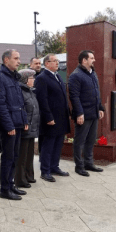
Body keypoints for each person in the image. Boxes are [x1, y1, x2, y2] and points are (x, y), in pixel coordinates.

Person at [0, 50, 28, 200]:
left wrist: (24, 120)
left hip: (18, 123)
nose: (19, 61)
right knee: (8, 157)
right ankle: (4, 189)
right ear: (6, 60)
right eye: (16, 58)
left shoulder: (14, 76)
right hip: (10, 125)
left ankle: (11, 184)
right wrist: (9, 126)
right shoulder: (0, 77)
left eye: (19, 58)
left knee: (14, 156)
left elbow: (20, 101)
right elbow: (1, 105)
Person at [35, 53, 71, 182]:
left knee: (58, 144)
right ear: (47, 64)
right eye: (54, 61)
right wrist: (48, 117)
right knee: (48, 145)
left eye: (57, 61)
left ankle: (54, 167)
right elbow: (42, 100)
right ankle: (45, 171)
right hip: (50, 119)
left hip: (61, 117)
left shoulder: (58, 76)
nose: (57, 63)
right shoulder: (42, 78)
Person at [69, 50, 105, 176]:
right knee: (79, 141)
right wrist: (79, 113)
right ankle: (79, 166)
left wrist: (100, 108)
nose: (94, 60)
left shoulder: (92, 73)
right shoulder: (76, 75)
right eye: (92, 58)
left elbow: (97, 93)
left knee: (90, 140)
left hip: (94, 113)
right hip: (83, 114)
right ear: (84, 60)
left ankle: (88, 163)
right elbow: (74, 96)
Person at [15, 69, 39, 188]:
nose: (33, 80)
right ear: (25, 80)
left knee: (29, 154)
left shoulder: (30, 91)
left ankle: (29, 175)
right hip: (25, 127)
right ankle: (20, 179)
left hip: (32, 127)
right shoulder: (20, 91)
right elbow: (22, 108)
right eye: (31, 78)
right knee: (22, 155)